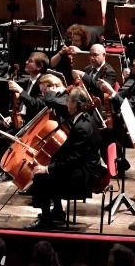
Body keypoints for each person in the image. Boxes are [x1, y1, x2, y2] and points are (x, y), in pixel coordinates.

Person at [24, 88, 106, 229]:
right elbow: (72, 152)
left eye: (68, 100)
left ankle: (45, 220)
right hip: (86, 167)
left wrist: (48, 168)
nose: (66, 103)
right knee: (51, 168)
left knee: (41, 176)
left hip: (84, 175)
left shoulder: (82, 127)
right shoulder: (85, 119)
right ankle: (57, 212)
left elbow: (73, 159)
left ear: (75, 104)